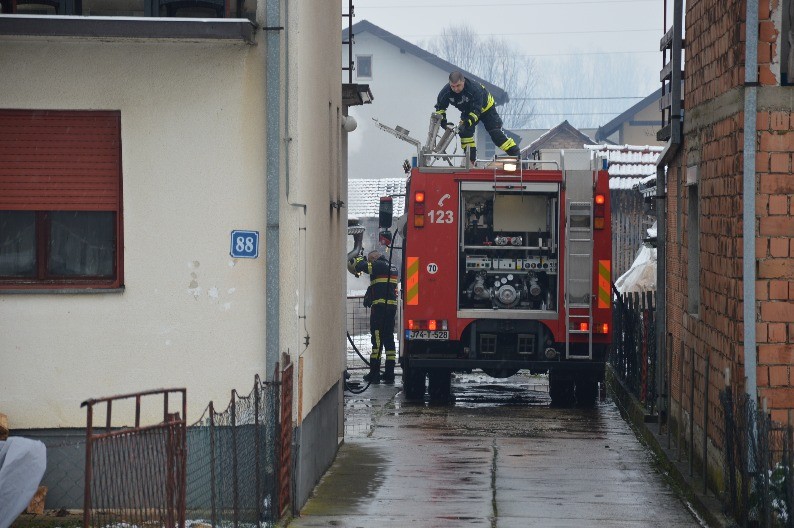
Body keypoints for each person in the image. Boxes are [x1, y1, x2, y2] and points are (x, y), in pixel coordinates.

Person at [434, 71, 520, 163]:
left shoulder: (474, 89)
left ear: (463, 81)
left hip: (486, 108)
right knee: (464, 134)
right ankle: (471, 161)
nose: (455, 89)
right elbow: (440, 109)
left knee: (495, 134)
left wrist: (467, 122)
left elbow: (476, 111)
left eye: (458, 86)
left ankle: (515, 154)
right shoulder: (445, 92)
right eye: (452, 86)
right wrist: (444, 123)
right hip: (467, 111)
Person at [351, 250, 399, 384]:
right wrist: (369, 293)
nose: (370, 261)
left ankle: (375, 373)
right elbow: (381, 285)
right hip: (390, 309)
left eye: (370, 259)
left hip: (379, 309)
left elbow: (361, 267)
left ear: (375, 257)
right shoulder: (391, 266)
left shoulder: (378, 265)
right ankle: (389, 374)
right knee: (389, 340)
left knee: (377, 340)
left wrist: (359, 258)